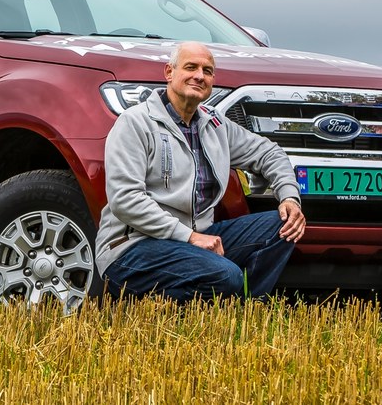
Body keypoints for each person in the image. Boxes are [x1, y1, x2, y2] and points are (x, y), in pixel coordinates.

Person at [96, 41, 305, 301]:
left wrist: (289, 197)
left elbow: (269, 152)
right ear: (169, 72)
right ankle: (147, 308)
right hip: (133, 248)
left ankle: (247, 308)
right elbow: (125, 200)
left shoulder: (214, 124)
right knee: (226, 276)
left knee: (284, 223)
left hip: (195, 241)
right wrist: (191, 237)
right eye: (191, 67)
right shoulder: (135, 122)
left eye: (207, 71)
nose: (199, 76)